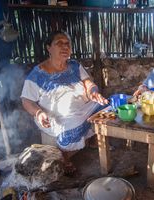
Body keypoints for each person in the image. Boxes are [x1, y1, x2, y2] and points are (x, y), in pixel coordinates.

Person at [20, 31, 108, 174]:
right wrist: (38, 113)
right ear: (49, 48)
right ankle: (63, 157)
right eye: (59, 43)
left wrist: (93, 92)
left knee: (107, 105)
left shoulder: (74, 65)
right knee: (71, 129)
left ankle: (92, 139)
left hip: (84, 108)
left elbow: (88, 82)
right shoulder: (38, 75)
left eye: (67, 44)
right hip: (59, 118)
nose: (65, 47)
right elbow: (26, 100)